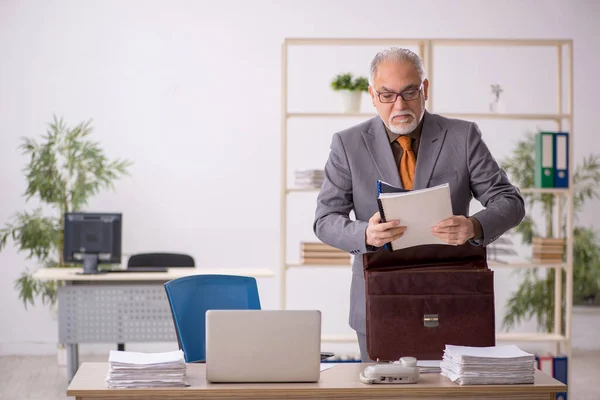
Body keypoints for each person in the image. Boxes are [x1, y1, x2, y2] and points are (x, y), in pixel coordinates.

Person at [313, 47, 525, 362]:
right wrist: (365, 234)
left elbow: (510, 201)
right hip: (378, 297)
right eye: (387, 95)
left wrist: (474, 226)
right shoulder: (347, 144)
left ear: (424, 89)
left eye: (409, 92)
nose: (399, 105)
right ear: (372, 96)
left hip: (453, 295)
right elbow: (325, 219)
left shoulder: (462, 136)